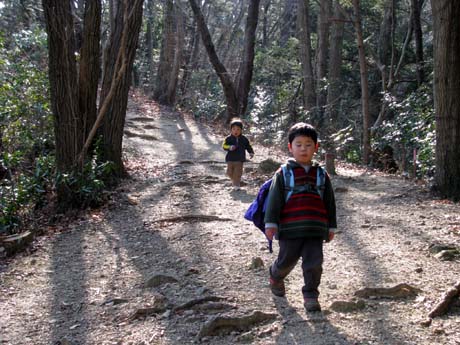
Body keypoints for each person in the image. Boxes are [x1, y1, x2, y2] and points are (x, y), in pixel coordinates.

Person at [264, 122, 337, 312]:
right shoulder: (283, 173)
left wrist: (331, 226)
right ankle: (276, 275)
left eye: (308, 144)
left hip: (315, 228)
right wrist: (270, 224)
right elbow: (274, 200)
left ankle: (311, 295)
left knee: (314, 263)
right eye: (298, 144)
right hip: (290, 229)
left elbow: (329, 202)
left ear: (316, 147)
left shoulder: (321, 174)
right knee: (287, 260)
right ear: (290, 147)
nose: (303, 149)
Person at [222, 118, 255, 190]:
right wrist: (229, 147)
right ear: (231, 129)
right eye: (234, 129)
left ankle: (236, 185)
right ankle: (234, 181)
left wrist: (251, 152)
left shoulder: (244, 139)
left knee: (237, 173)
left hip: (240, 159)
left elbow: (248, 146)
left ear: (241, 130)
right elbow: (224, 146)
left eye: (238, 129)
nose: (236, 131)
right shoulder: (228, 138)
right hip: (230, 159)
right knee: (229, 172)